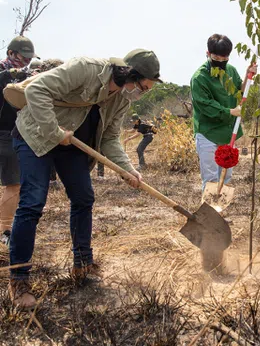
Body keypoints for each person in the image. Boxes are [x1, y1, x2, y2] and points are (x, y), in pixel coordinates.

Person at [7, 49, 162, 310]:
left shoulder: (122, 99)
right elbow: (37, 92)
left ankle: (82, 264)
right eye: (143, 88)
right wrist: (55, 132)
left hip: (70, 145)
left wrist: (126, 169)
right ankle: (19, 279)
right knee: (33, 201)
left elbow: (110, 138)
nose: (142, 94)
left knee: (83, 197)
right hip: (35, 134)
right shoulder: (85, 68)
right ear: (131, 75)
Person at [190, 34, 257, 191]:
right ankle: (209, 212)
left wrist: (248, 76)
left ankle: (220, 210)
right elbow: (205, 105)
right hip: (208, 133)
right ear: (208, 53)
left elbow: (239, 90)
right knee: (211, 178)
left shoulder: (231, 71)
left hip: (227, 132)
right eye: (216, 58)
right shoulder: (199, 77)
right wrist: (230, 111)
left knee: (225, 176)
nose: (220, 62)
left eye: (224, 59)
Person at [0, 36, 38, 246]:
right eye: (23, 57)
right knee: (13, 184)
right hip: (5, 134)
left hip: (14, 133)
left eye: (29, 59)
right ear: (11, 53)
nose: (26, 62)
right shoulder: (5, 73)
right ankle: (5, 231)